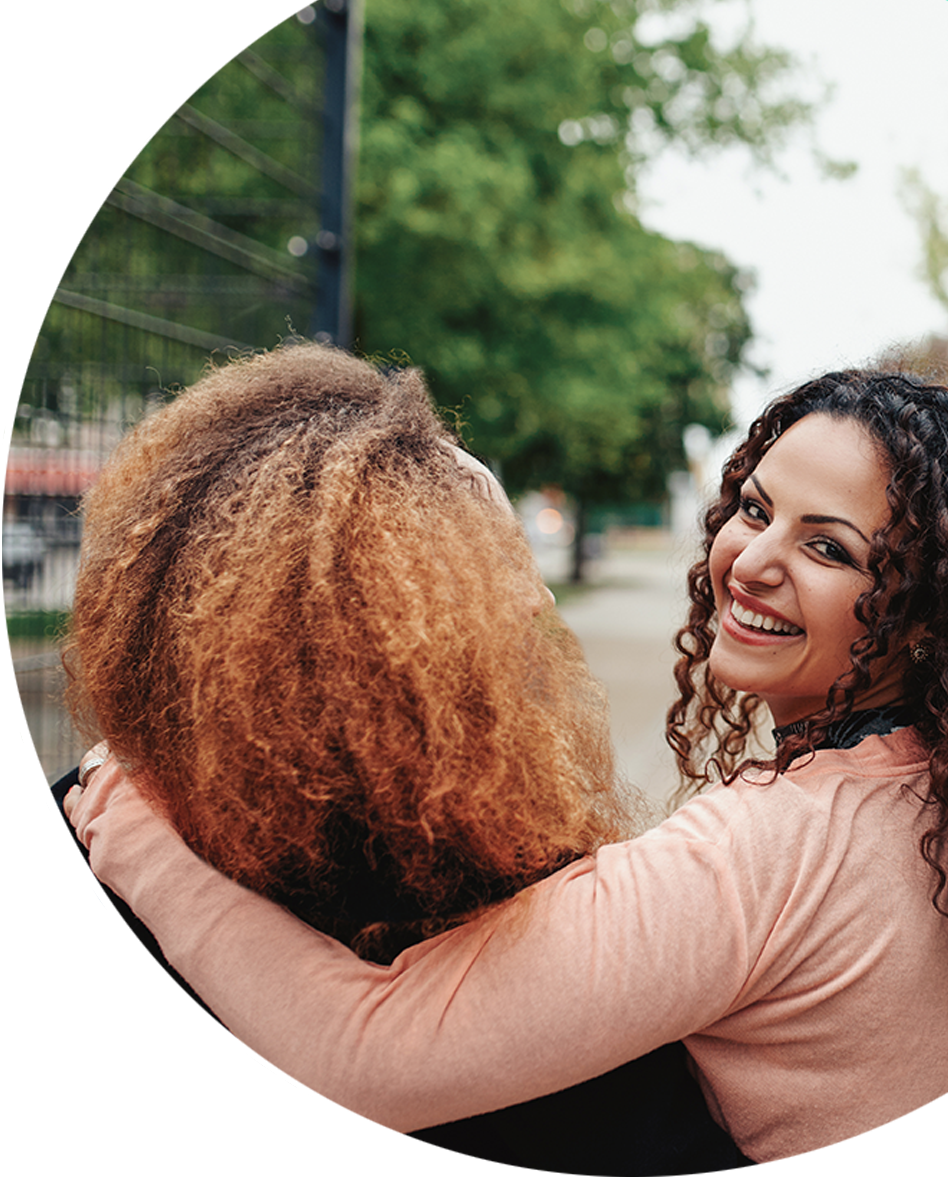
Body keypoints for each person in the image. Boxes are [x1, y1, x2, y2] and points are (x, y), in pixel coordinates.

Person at [68, 368, 948, 1166]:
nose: (752, 559)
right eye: (754, 507)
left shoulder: (774, 848)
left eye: (828, 547)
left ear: (933, 620)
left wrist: (128, 833)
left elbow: (371, 1048)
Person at [55, 342, 751, 1173]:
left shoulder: (100, 812)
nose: (537, 597)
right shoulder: (500, 912)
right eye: (498, 563)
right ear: (410, 645)